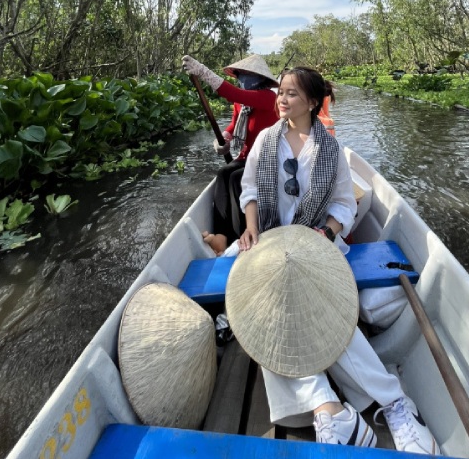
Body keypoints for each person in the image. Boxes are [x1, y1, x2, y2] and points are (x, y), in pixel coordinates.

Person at [233, 66, 440, 454]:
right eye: (281, 92)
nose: (282, 99)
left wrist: (325, 234)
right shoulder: (264, 140)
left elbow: (345, 204)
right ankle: (335, 407)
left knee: (319, 312)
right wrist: (251, 229)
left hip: (319, 244)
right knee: (264, 314)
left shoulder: (329, 149)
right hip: (272, 243)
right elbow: (249, 191)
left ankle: (384, 407)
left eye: (292, 94)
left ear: (312, 102)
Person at [182, 53, 279, 252]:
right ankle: (221, 236)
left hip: (267, 160)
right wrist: (226, 137)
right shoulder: (242, 103)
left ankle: (240, 236)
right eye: (240, 75)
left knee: (237, 179)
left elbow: (233, 94)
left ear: (259, 78)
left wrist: (203, 72)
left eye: (246, 75)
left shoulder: (268, 97)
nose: (242, 79)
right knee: (223, 173)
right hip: (247, 156)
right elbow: (235, 124)